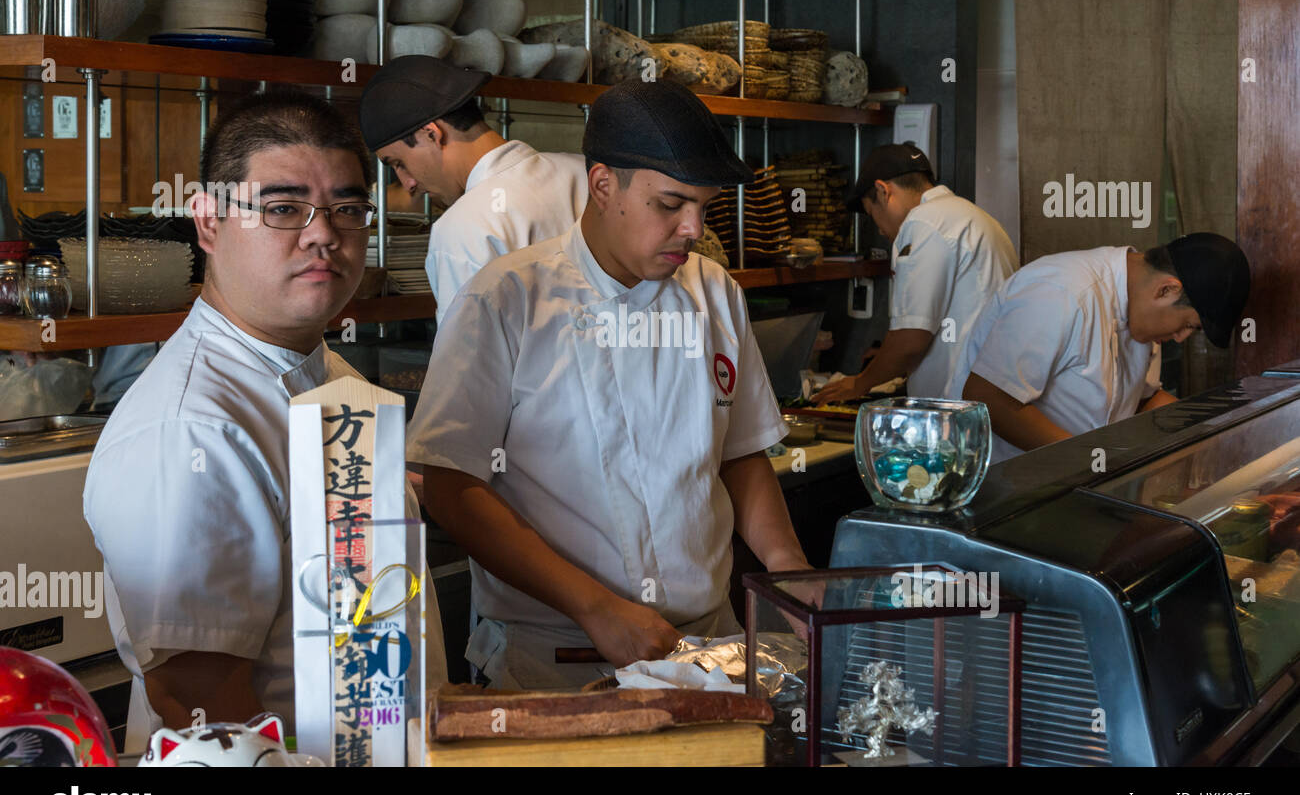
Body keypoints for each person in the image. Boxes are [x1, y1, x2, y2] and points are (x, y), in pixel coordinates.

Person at [405, 79, 813, 689]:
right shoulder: (506, 298)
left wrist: (790, 573)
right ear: (602, 186)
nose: (693, 228)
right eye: (670, 204)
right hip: (553, 658)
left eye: (704, 206)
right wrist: (596, 608)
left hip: (708, 644)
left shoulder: (714, 292)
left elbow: (741, 453)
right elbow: (447, 482)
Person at [83, 91, 446, 752]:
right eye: (283, 209)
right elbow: (196, 699)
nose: (323, 234)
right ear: (209, 222)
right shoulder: (192, 429)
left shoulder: (334, 377)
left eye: (347, 208)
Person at [948, 233, 1251, 463]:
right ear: (1167, 289)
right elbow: (988, 397)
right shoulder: (1063, 291)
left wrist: (1212, 434)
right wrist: (1088, 461)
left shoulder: (1140, 316)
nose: (1181, 338)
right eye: (1188, 324)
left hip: (1068, 487)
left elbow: (1143, 399)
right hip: (997, 480)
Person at [359, 55, 588, 324]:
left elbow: (467, 361)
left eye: (399, 163)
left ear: (432, 134)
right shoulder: (585, 172)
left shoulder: (462, 229)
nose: (408, 183)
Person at [814, 144, 1017, 403]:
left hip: (958, 411)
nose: (878, 230)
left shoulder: (923, 222)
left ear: (882, 191)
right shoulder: (973, 216)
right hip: (990, 401)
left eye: (871, 213)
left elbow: (911, 337)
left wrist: (859, 383)